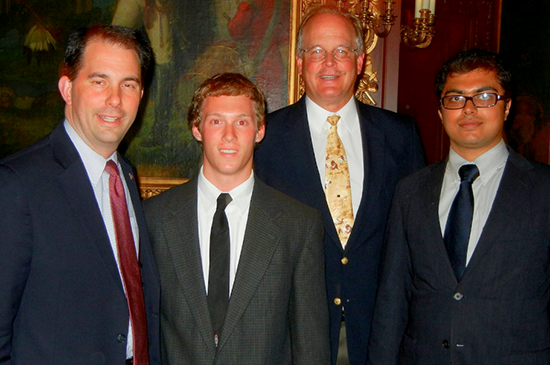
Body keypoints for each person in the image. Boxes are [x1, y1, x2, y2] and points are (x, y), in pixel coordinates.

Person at [254, 5, 425, 364]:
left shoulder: (400, 136)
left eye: (341, 51)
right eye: (316, 51)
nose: (328, 62)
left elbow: (417, 241)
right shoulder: (264, 140)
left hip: (379, 336)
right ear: (300, 62)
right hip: (293, 335)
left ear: (360, 61)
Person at [367, 48, 550, 365]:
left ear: (506, 107)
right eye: (455, 99)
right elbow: (391, 299)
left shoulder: (543, 190)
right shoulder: (410, 191)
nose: (468, 109)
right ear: (440, 111)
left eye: (484, 97)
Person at [143, 73, 330, 365]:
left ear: (259, 131)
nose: (229, 135)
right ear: (197, 129)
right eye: (216, 121)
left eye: (241, 122)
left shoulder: (299, 225)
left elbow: (310, 345)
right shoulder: (153, 218)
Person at [0, 25, 160, 364]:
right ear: (67, 88)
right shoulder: (17, 184)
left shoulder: (125, 176)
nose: (115, 99)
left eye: (128, 84)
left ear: (141, 96)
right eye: (99, 81)